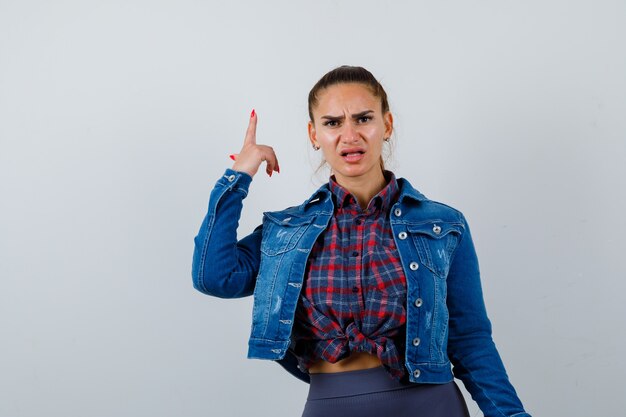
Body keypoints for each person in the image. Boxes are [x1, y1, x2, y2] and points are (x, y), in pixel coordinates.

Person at [192, 65, 532, 417]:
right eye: (333, 123)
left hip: (431, 405)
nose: (349, 135)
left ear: (386, 125)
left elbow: (470, 340)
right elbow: (214, 277)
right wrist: (238, 177)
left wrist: (511, 415)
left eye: (363, 118)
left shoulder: (443, 225)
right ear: (314, 134)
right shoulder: (287, 231)